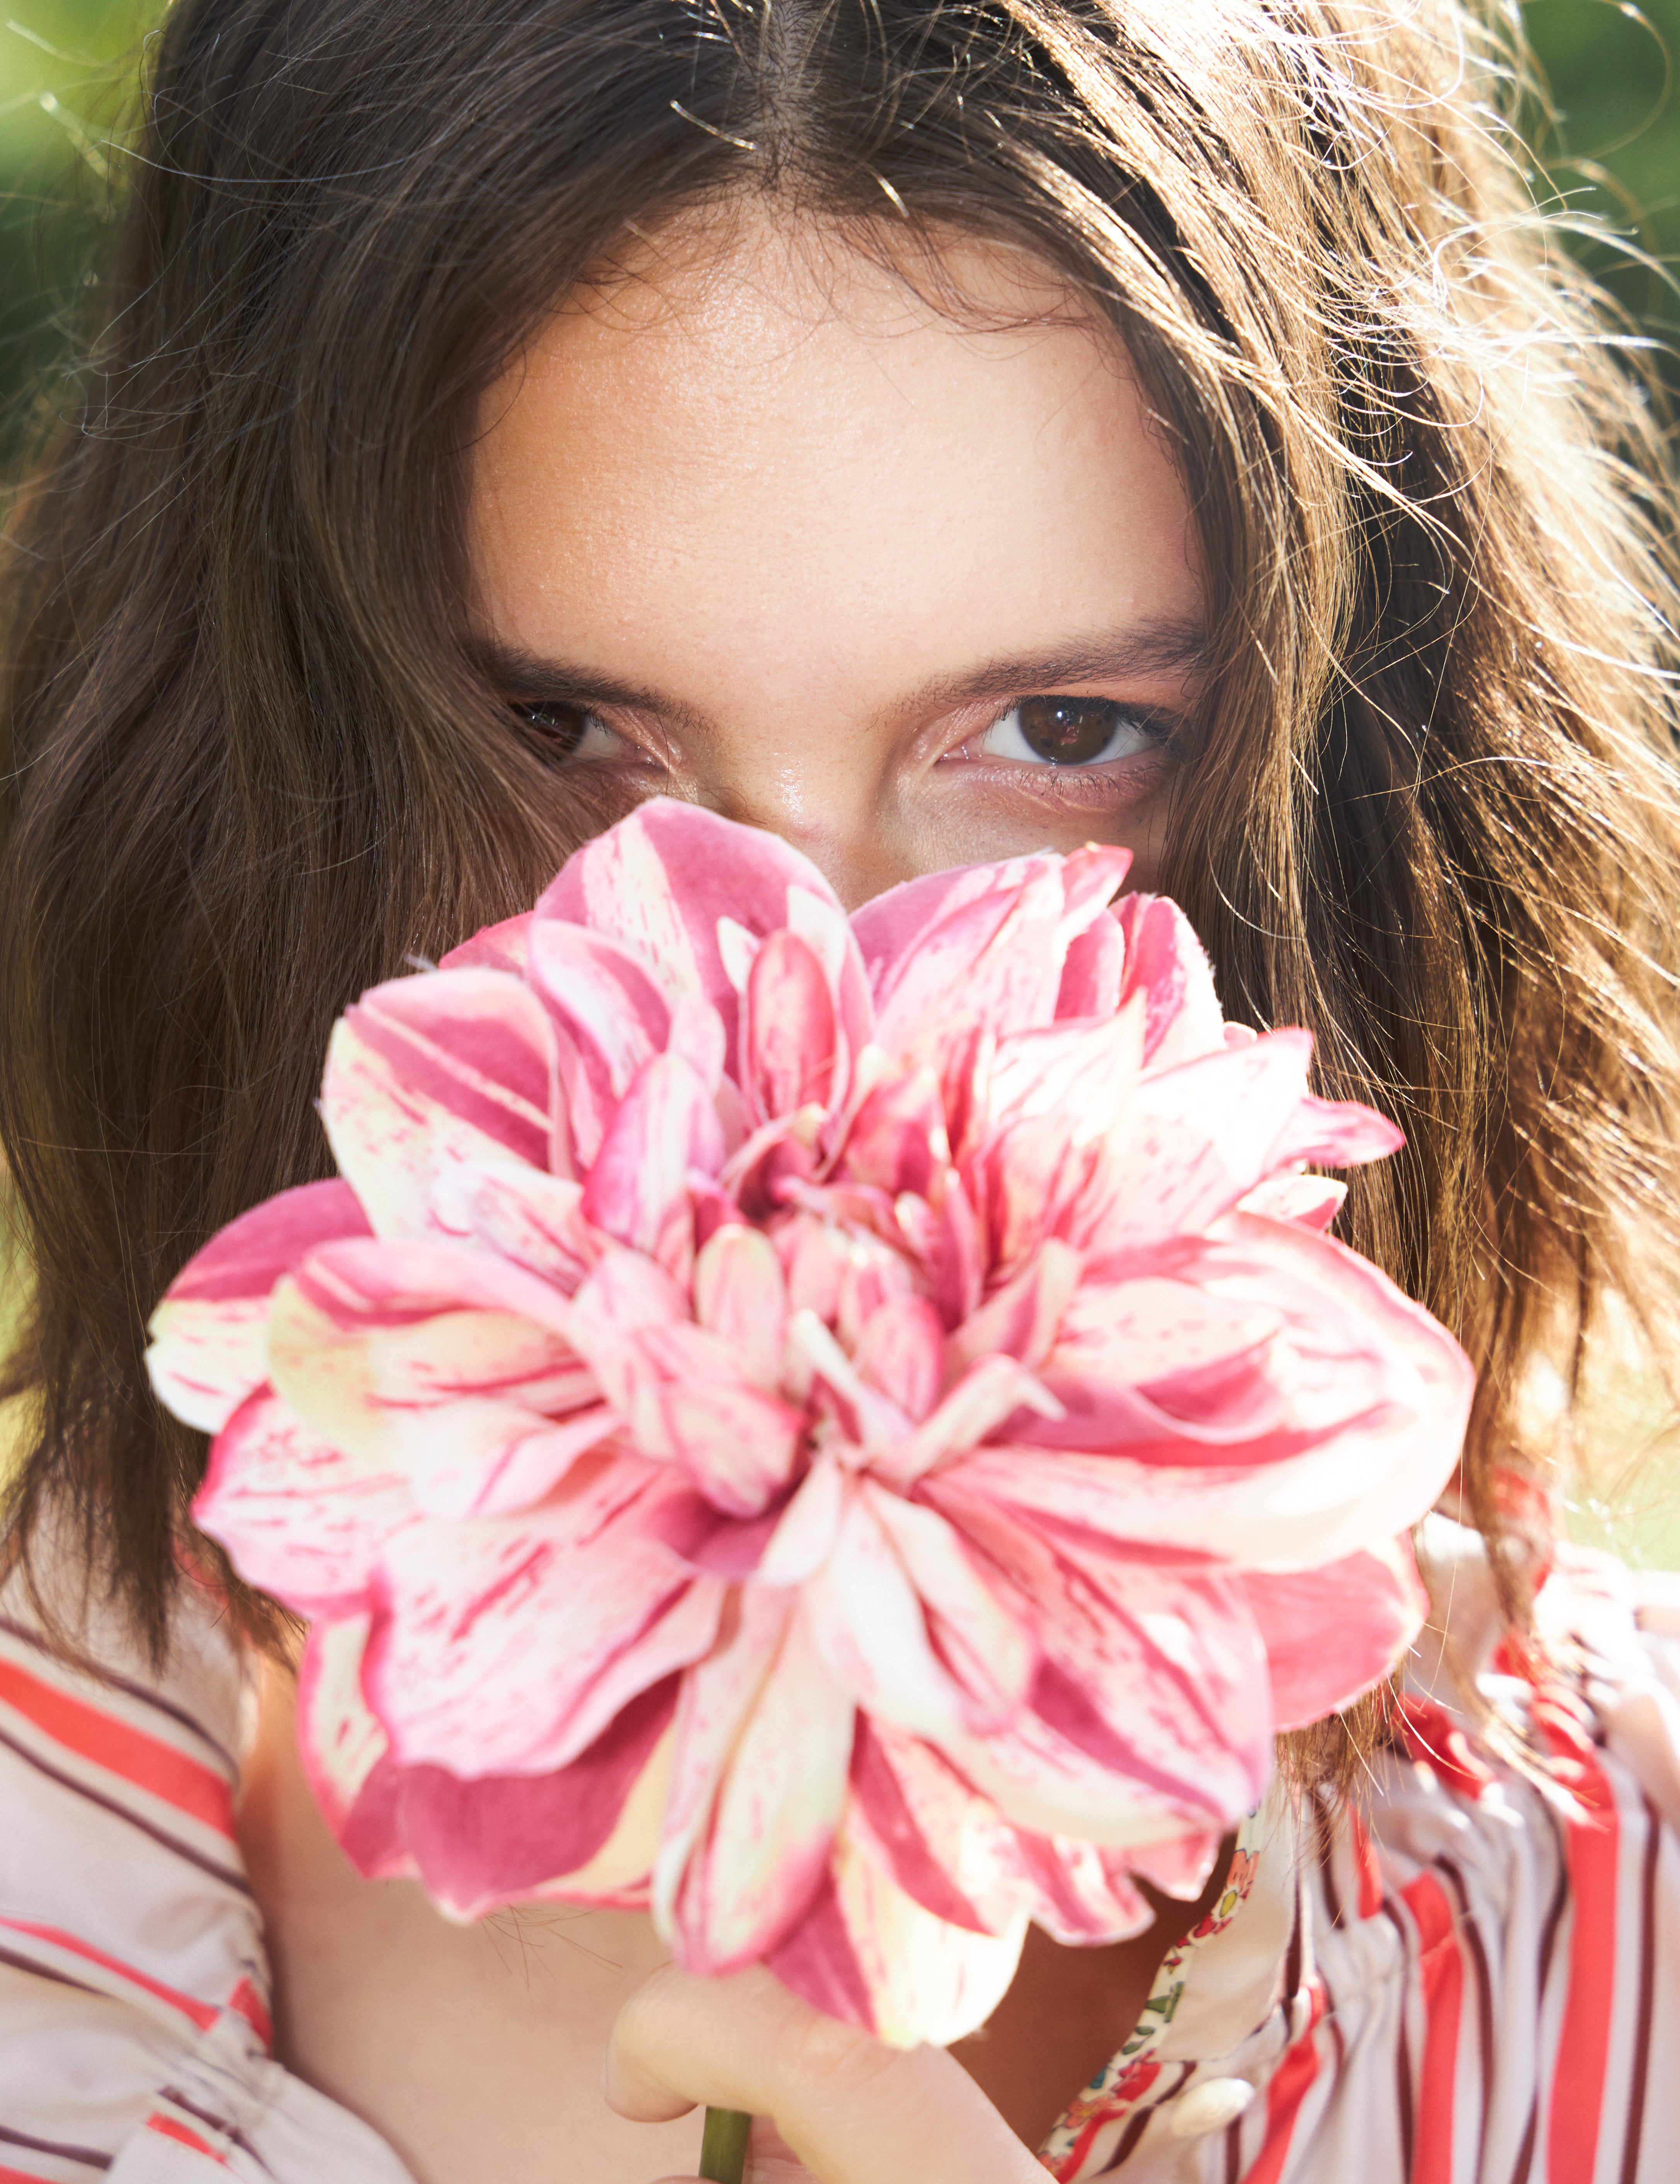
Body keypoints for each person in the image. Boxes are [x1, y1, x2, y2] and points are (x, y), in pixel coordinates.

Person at [0, 0, 1677, 2178]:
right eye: (557, 731)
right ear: (227, 761)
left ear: (1372, 791)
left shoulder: (1622, 1926)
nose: (798, 971)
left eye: (1067, 732)